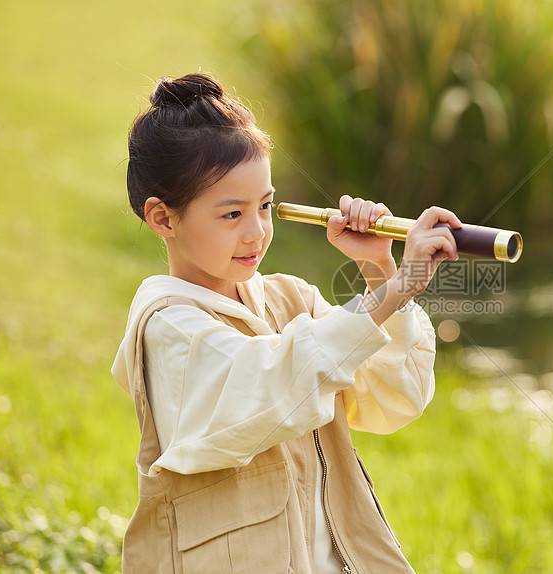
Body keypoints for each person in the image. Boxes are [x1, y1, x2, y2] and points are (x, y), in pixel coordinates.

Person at [111, 72, 461, 574]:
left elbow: (396, 400)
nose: (257, 232)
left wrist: (379, 268)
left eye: (266, 206)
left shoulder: (290, 299)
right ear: (164, 219)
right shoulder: (167, 326)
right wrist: (399, 286)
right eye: (232, 214)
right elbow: (273, 382)